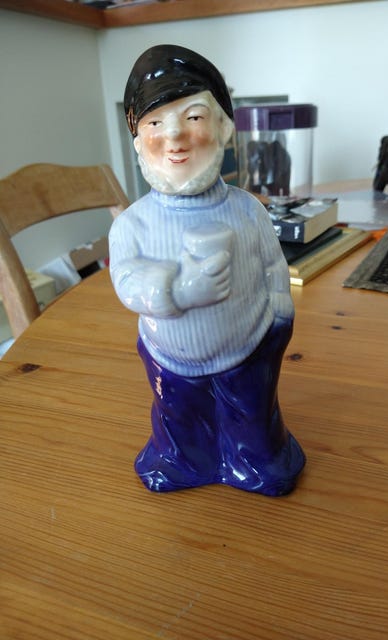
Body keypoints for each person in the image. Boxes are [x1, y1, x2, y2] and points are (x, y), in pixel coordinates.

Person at [109, 44, 305, 496]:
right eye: (155, 124)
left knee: (252, 421)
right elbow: (126, 280)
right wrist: (177, 291)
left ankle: (254, 461)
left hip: (248, 346)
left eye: (193, 117)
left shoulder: (248, 210)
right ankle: (184, 461)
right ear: (138, 140)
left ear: (224, 128)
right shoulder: (133, 225)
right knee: (179, 421)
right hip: (170, 356)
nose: (175, 136)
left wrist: (280, 313)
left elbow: (272, 264)